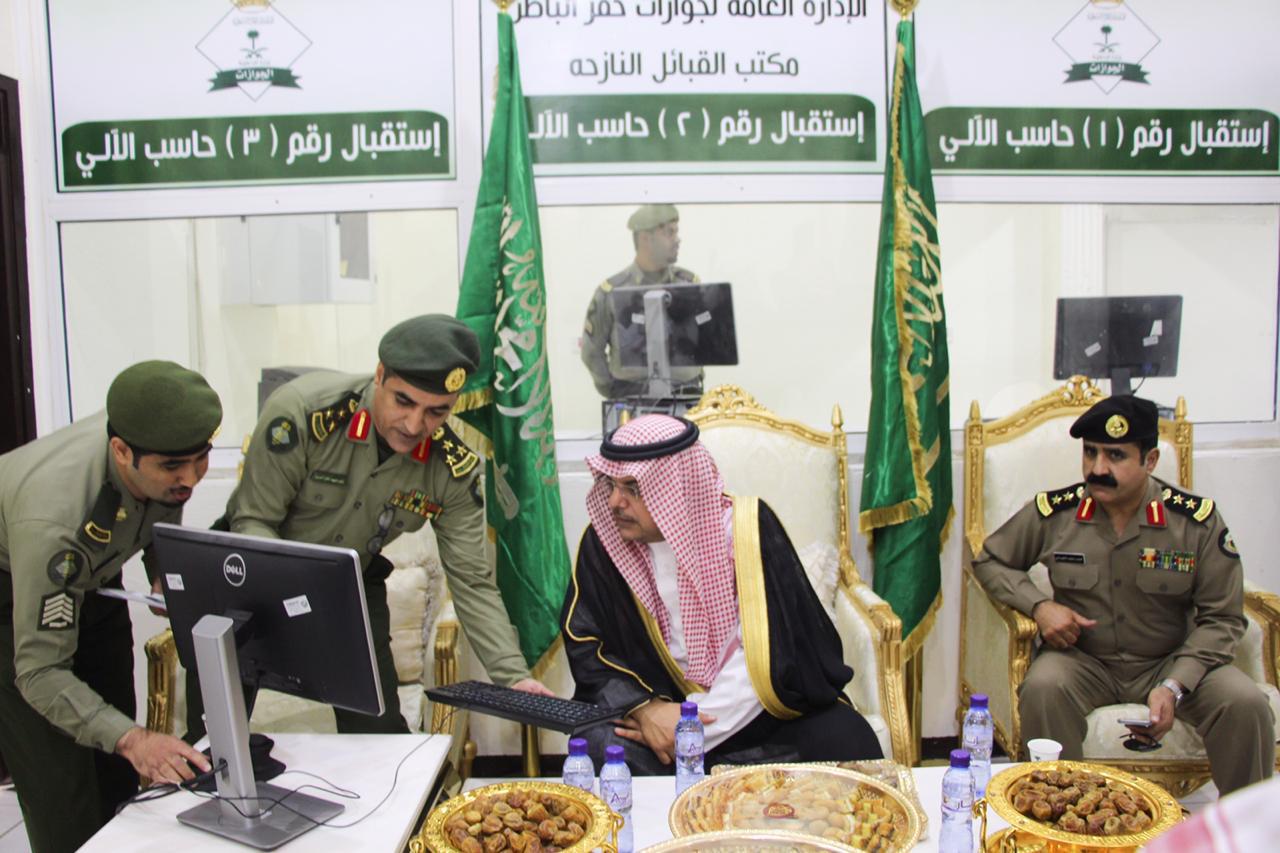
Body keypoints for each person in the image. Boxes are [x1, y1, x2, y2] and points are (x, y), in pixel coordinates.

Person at [186, 314, 549, 739]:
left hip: (348, 586)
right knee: (210, 741)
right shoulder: (304, 414)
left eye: (437, 412)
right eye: (403, 401)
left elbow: (472, 581)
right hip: (247, 576)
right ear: (380, 375)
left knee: (380, 737)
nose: (414, 425)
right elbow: (253, 521)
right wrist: (294, 610)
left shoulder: (451, 469)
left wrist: (513, 676)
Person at [973, 394, 1275, 796]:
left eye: (1115, 456)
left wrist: (1175, 684)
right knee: (1042, 689)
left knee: (1245, 703)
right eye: (1091, 452)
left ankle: (1245, 824)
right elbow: (990, 560)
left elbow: (1223, 619)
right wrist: (1039, 606)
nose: (1098, 469)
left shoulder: (1193, 522)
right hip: (1085, 661)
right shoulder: (1056, 513)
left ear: (1150, 461)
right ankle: (1061, 814)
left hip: (1172, 660)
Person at [562, 414, 882, 773]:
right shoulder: (605, 544)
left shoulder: (746, 531)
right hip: (659, 709)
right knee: (598, 744)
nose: (614, 502)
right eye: (610, 484)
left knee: (848, 737)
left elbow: (772, 653)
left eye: (632, 488)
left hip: (753, 709)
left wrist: (691, 728)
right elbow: (587, 643)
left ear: (676, 488)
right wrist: (646, 710)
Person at [0, 360, 222, 853]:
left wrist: (163, 574)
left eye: (201, 459)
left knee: (118, 777)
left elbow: (159, 512)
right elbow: (39, 672)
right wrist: (135, 740)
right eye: (174, 467)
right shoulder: (55, 521)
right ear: (121, 451)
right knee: (63, 790)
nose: (190, 478)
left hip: (95, 577)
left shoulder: (157, 437)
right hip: (13, 592)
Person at [580, 204, 704, 398]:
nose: (677, 240)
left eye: (676, 232)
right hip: (632, 398)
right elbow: (591, 352)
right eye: (669, 233)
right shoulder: (611, 293)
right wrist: (613, 389)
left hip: (686, 396)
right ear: (646, 238)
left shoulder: (690, 285)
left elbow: (705, 341)